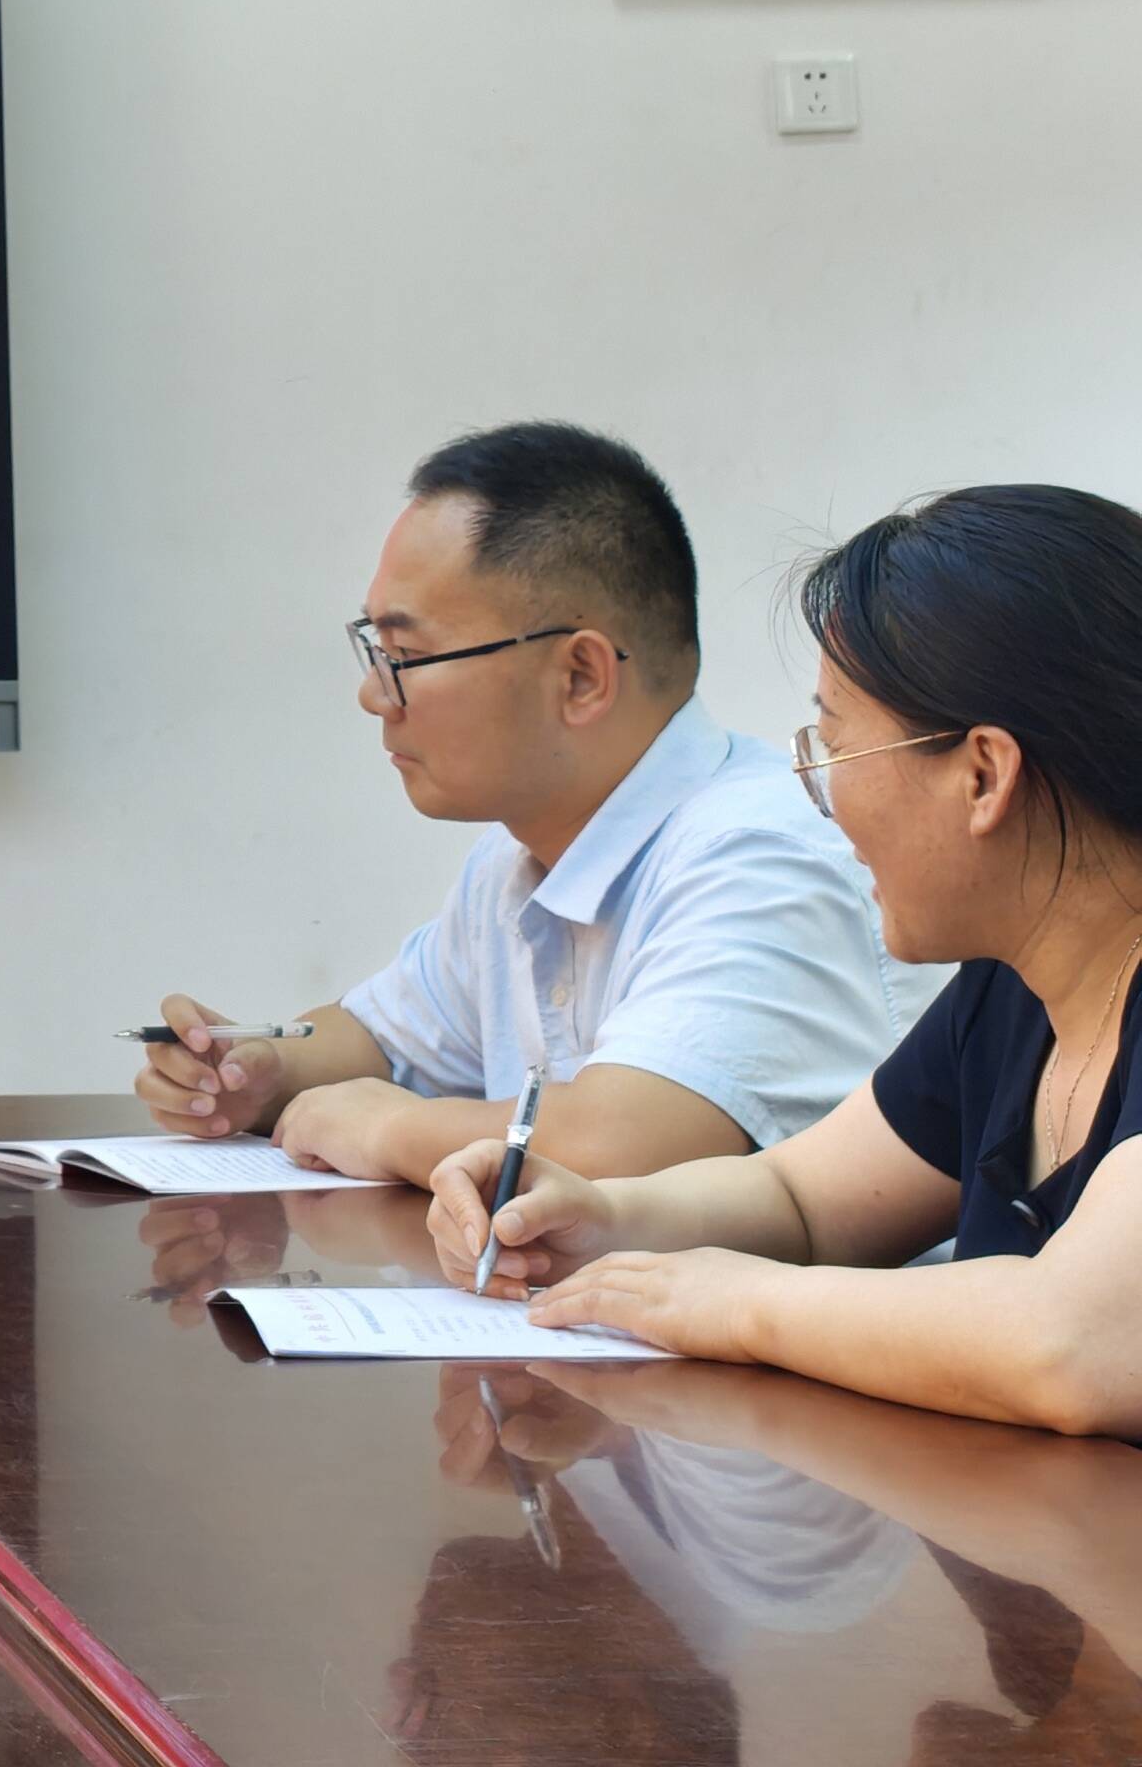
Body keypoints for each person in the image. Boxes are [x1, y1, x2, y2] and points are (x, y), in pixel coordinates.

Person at [434, 484, 1142, 1440]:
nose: (815, 790)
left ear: (983, 775)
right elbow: (802, 1201)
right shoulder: (1012, 992)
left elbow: (1076, 1345)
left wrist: (736, 1303)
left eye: (835, 746)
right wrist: (599, 1219)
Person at [135, 422, 898, 1189]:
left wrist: (390, 1129)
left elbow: (630, 1142)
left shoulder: (762, 848)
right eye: (376, 652)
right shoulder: (514, 861)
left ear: (580, 677)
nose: (373, 695)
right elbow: (382, 1041)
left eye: (406, 657)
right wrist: (256, 1072)